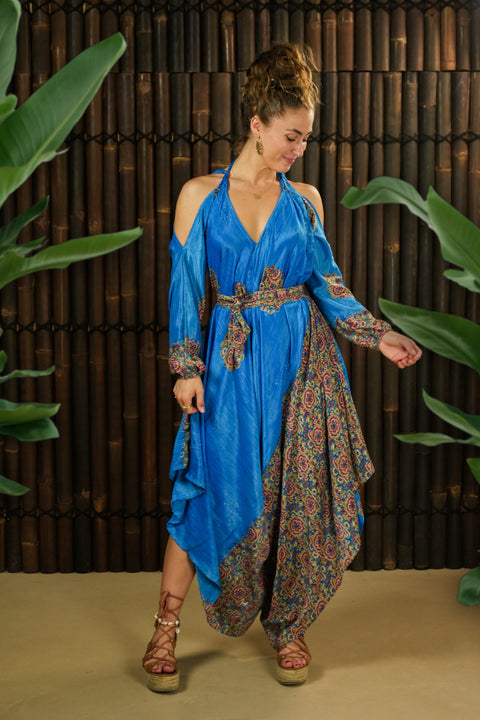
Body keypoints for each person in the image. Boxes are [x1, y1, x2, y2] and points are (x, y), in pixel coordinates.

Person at [143, 43, 422, 692]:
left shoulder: (307, 201)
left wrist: (378, 335)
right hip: (231, 368)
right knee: (205, 489)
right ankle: (164, 627)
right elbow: (185, 292)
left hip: (304, 367)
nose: (299, 148)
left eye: (306, 137)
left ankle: (289, 625)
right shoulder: (199, 196)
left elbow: (328, 284)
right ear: (257, 125)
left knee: (300, 498)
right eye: (291, 135)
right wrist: (186, 369)